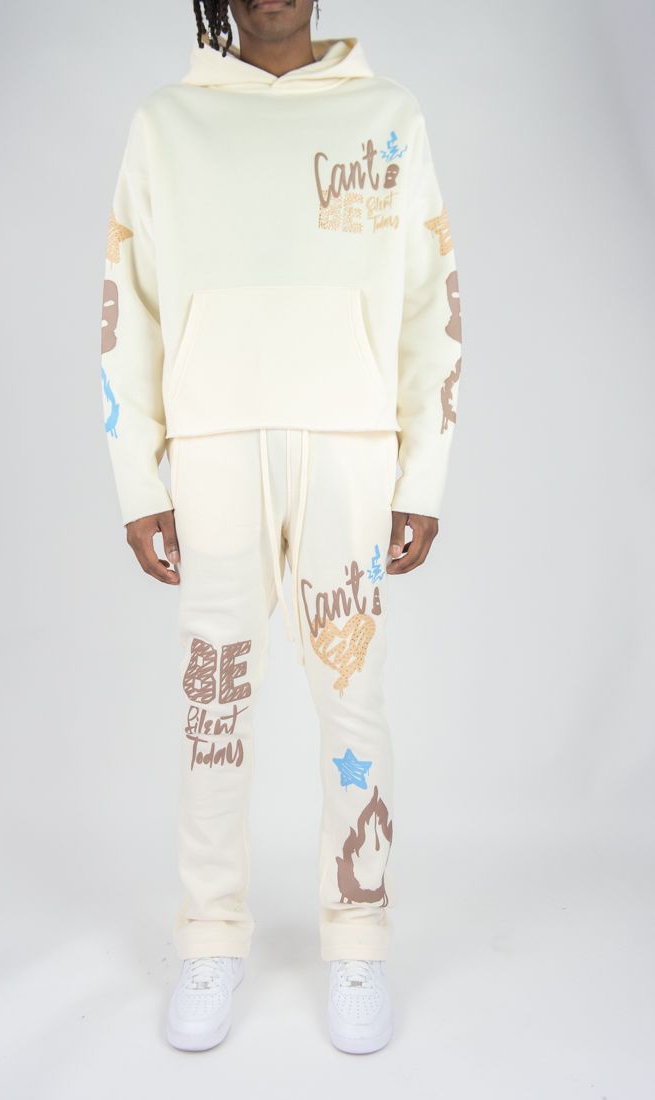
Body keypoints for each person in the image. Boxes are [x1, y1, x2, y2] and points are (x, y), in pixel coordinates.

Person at [99, 0, 463, 1056]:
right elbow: (128, 305)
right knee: (213, 699)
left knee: (354, 697)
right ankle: (210, 934)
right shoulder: (167, 122)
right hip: (214, 446)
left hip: (350, 444)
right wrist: (138, 480)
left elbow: (431, 302)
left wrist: (423, 472)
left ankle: (359, 934)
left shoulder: (387, 114)